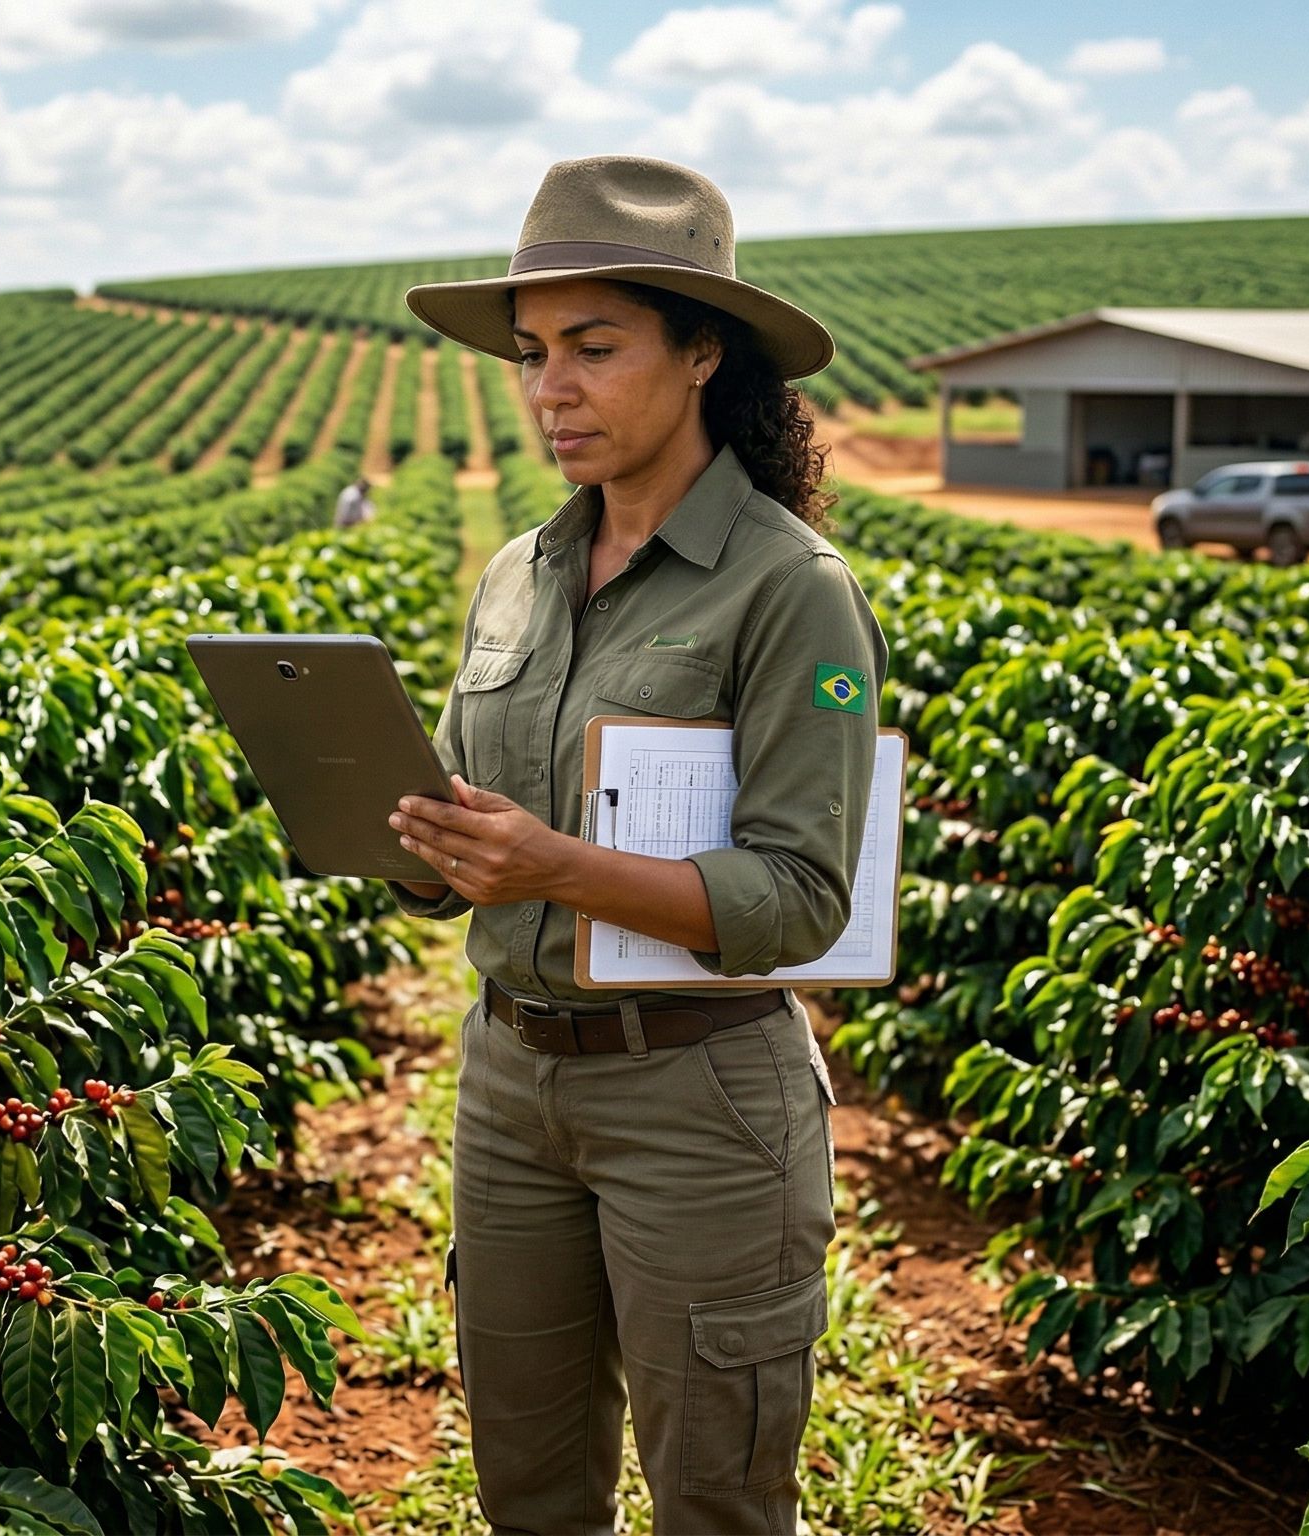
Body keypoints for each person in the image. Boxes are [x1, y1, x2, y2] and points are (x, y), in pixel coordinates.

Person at [384, 155, 884, 1536]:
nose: (552, 388)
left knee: (716, 1496)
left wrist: (554, 866)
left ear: (702, 354)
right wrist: (421, 838)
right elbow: (474, 818)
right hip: (509, 1084)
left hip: (697, 1098)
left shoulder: (792, 592)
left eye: (594, 349)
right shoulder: (519, 574)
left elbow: (799, 899)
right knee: (528, 1486)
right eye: (536, 354)